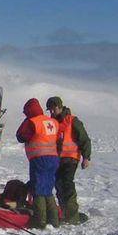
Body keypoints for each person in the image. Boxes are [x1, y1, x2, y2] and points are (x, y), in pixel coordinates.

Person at [46, 96, 92, 224]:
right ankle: (64, 212)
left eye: (52, 109)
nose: (51, 112)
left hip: (70, 158)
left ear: (58, 107)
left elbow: (84, 139)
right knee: (59, 185)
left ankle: (72, 217)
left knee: (67, 184)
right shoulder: (52, 123)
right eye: (49, 110)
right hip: (57, 159)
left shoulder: (73, 121)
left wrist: (86, 157)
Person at [15, 98, 60, 228]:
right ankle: (54, 221)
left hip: (39, 158)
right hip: (53, 159)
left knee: (39, 189)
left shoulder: (32, 122)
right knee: (48, 189)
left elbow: (21, 136)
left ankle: (40, 222)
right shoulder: (52, 121)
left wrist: (26, 120)